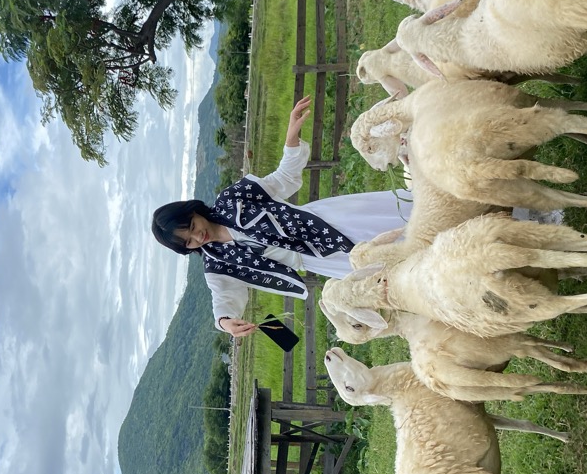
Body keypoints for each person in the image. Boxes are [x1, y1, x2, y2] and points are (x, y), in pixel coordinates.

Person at [151, 96, 411, 337]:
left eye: (193, 226)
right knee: (402, 270)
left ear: (194, 211)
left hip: (329, 220)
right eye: (189, 242)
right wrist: (224, 321)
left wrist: (291, 140)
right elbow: (223, 296)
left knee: (410, 218)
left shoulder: (231, 200)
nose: (198, 236)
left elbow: (282, 179)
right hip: (321, 260)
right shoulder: (218, 262)